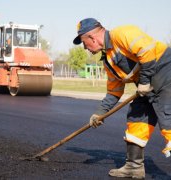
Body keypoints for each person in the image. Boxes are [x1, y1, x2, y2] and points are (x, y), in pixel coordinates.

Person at [73, 18, 171, 179]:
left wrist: (145, 82)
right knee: (136, 116)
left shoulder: (122, 33)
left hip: (165, 72)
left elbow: (146, 51)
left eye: (84, 43)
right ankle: (134, 166)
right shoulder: (109, 61)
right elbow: (114, 91)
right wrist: (99, 113)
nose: (85, 48)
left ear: (92, 37)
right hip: (146, 86)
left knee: (168, 118)